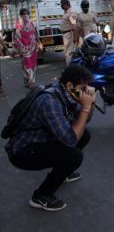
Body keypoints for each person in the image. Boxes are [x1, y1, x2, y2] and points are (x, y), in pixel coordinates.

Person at [4, 65, 95, 211]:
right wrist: (85, 107)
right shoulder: (49, 102)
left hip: (41, 140)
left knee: (84, 134)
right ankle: (41, 196)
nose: (86, 91)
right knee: (74, 156)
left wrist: (91, 104)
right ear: (70, 85)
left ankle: (63, 172)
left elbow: (85, 121)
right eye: (83, 88)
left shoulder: (64, 91)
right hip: (22, 151)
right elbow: (71, 139)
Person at [14, 8, 43, 88]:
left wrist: (39, 43)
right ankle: (31, 83)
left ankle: (27, 81)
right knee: (27, 65)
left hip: (33, 48)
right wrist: (21, 47)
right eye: (24, 14)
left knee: (33, 65)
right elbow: (17, 37)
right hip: (24, 49)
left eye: (27, 14)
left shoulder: (31, 23)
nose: (26, 16)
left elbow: (34, 33)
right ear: (21, 15)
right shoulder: (18, 24)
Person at [60, 0, 79, 65]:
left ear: (65, 5)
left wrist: (75, 37)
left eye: (62, 5)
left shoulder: (71, 13)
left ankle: (70, 67)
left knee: (69, 53)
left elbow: (75, 26)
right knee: (68, 52)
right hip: (67, 34)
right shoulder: (67, 12)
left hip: (70, 34)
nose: (61, 6)